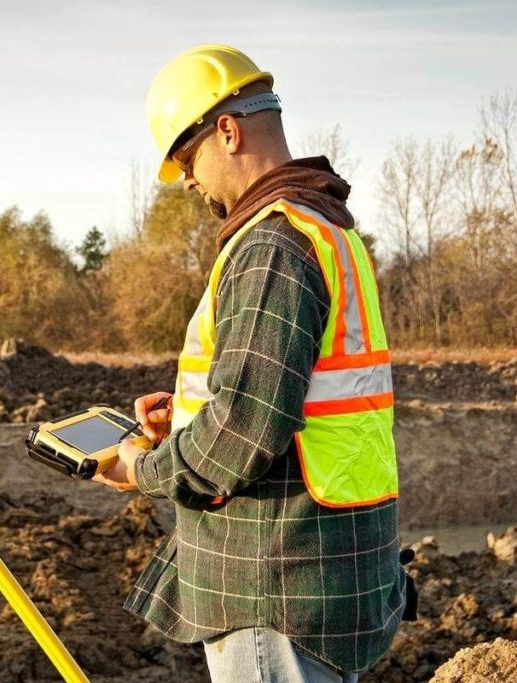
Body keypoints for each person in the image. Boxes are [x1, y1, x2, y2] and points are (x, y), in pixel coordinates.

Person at [91, 44, 405, 682]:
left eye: (186, 157)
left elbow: (243, 427)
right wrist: (183, 418)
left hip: (276, 584)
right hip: (321, 566)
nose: (187, 180)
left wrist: (143, 468)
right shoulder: (328, 230)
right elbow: (280, 395)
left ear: (226, 132)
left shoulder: (271, 245)